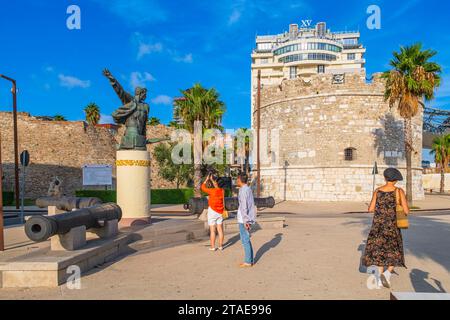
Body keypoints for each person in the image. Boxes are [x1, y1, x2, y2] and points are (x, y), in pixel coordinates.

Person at [362, 168, 410, 289]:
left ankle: (379, 279)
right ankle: (387, 273)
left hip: (378, 226)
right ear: (395, 180)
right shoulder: (399, 191)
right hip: (392, 226)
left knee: (379, 251)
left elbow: (370, 209)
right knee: (394, 251)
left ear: (385, 178)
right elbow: (406, 211)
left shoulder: (377, 191)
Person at [236, 173, 257, 268]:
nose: (236, 181)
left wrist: (245, 221)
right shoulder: (247, 189)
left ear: (240, 180)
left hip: (243, 219)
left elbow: (244, 206)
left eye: (237, 179)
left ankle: (248, 261)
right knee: (246, 239)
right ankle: (250, 260)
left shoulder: (243, 190)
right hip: (247, 218)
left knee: (245, 240)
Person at [201, 173, 225, 251]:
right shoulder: (222, 191)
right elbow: (216, 186)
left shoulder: (212, 191)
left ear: (216, 183)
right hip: (220, 212)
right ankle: (221, 246)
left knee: (212, 230)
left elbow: (202, 187)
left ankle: (212, 247)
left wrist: (206, 180)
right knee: (220, 230)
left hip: (212, 211)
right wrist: (212, 179)